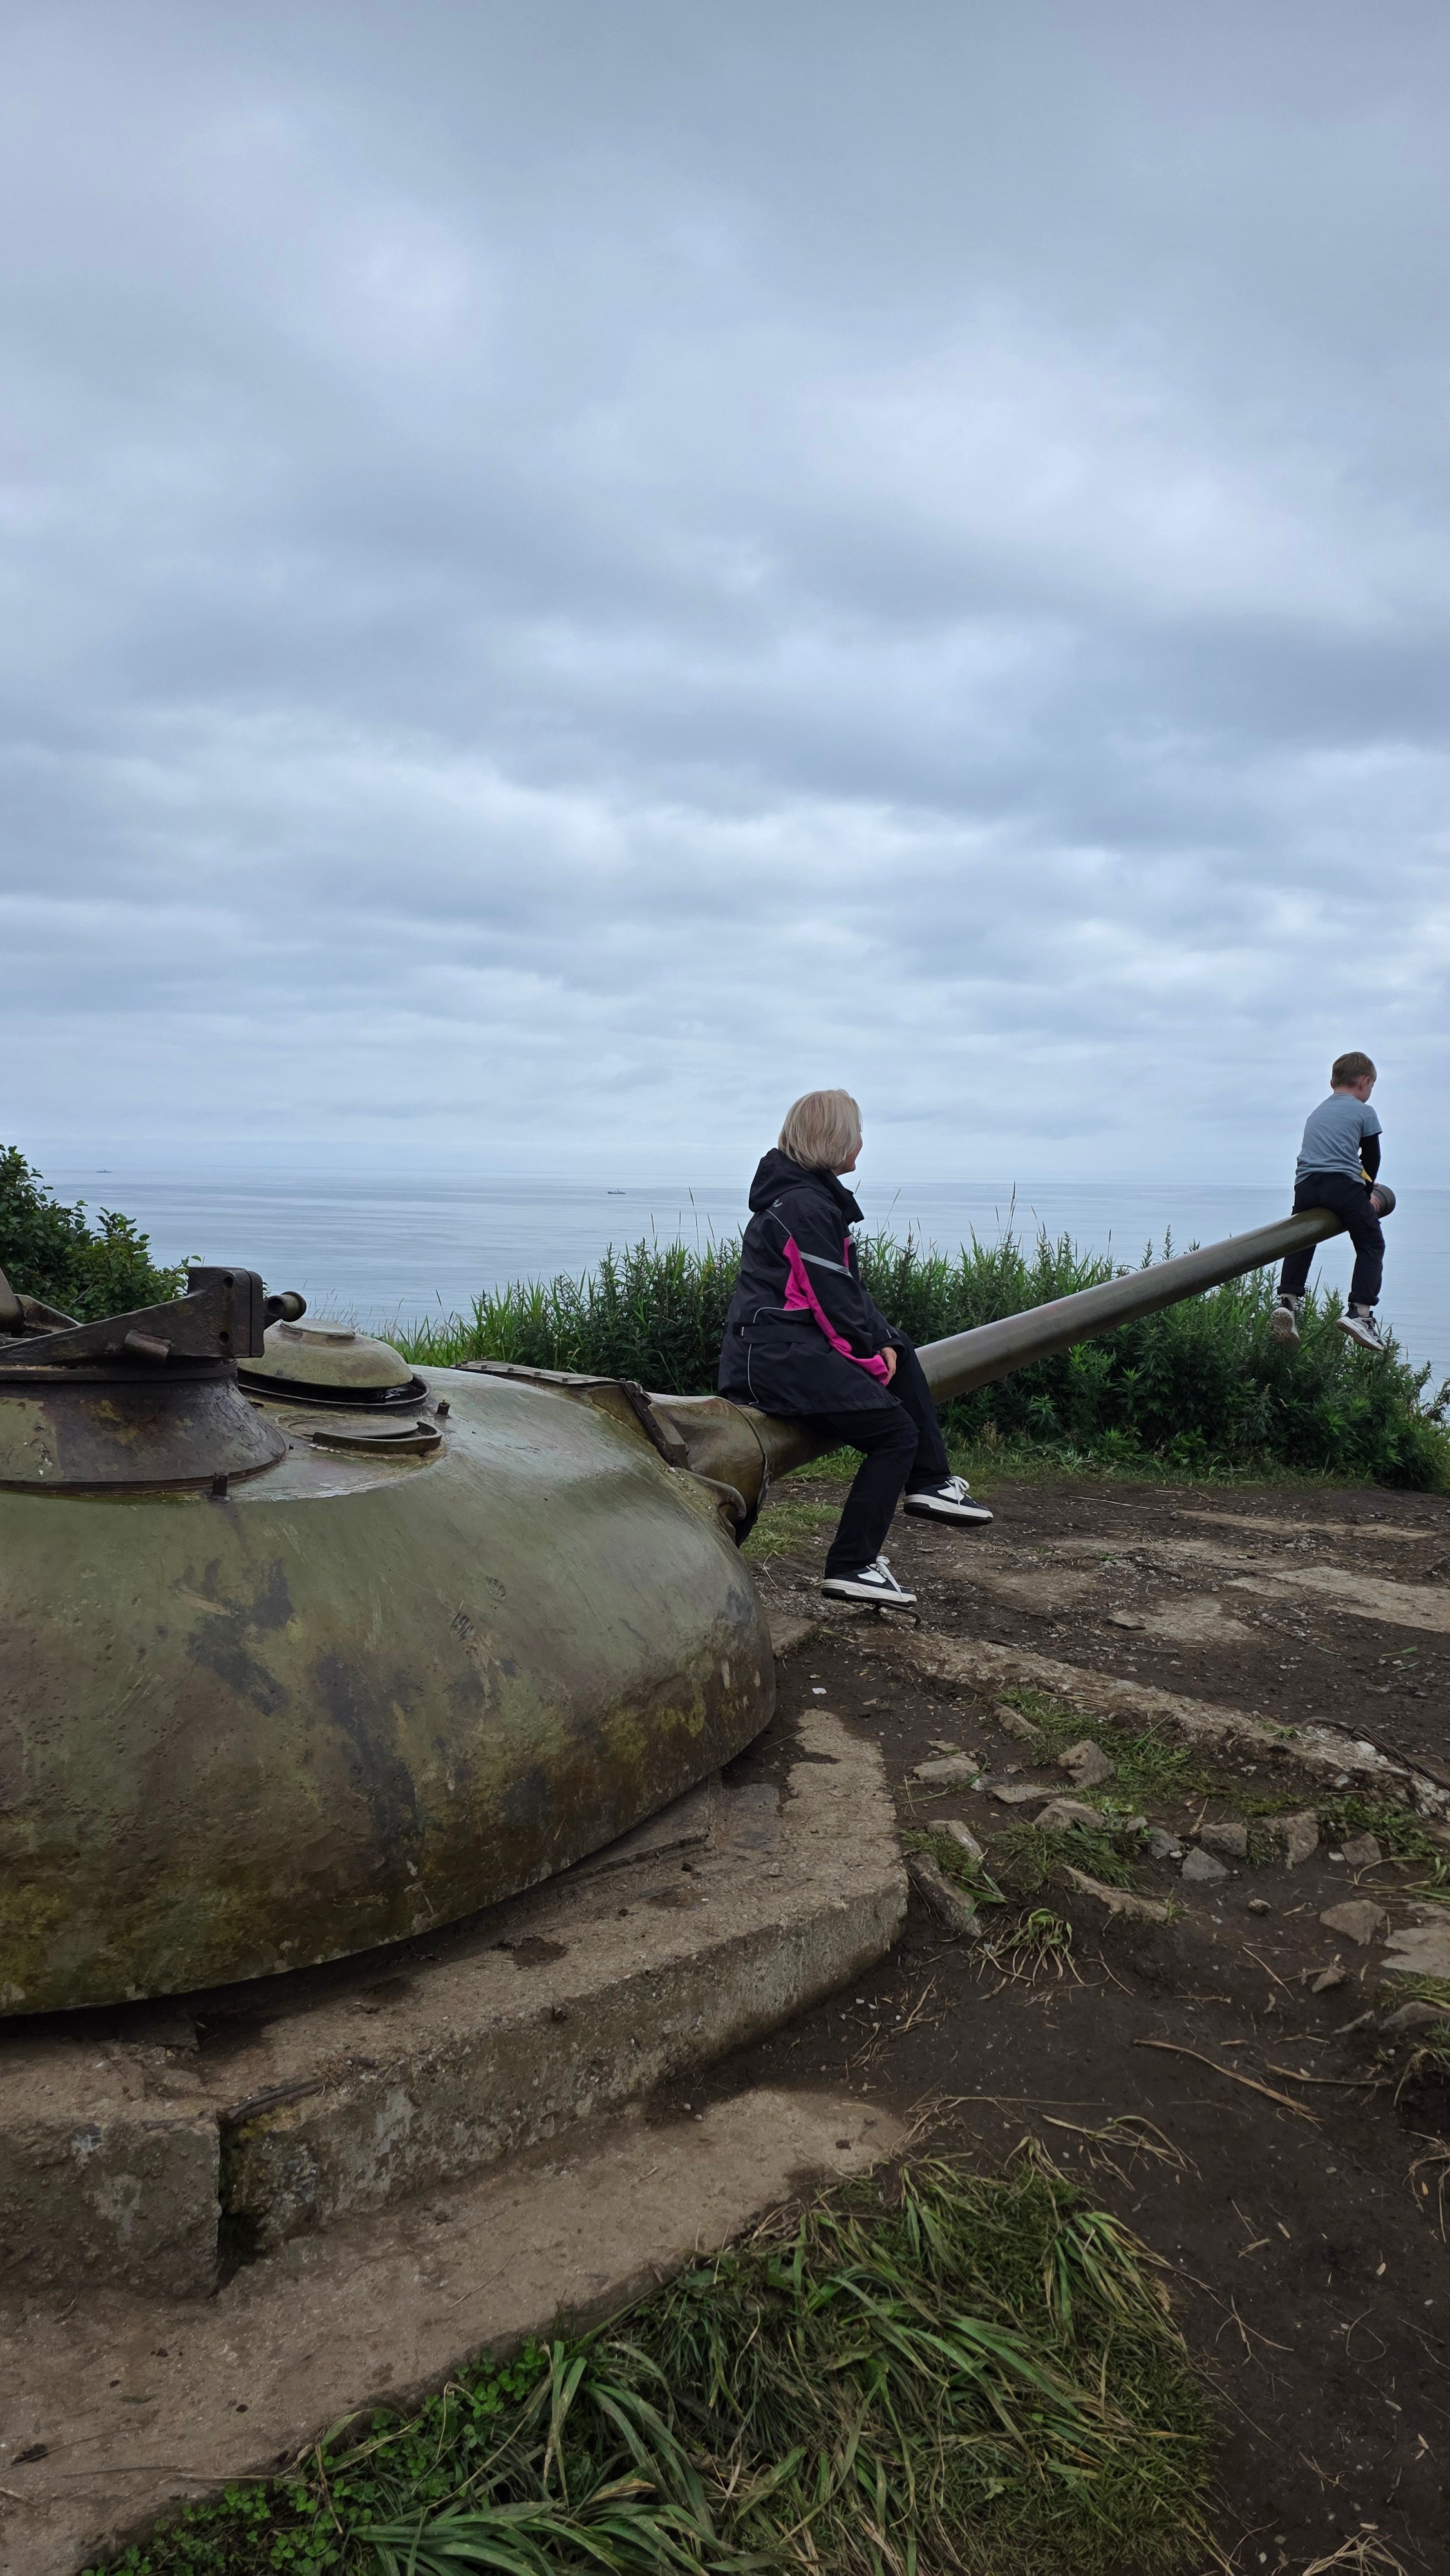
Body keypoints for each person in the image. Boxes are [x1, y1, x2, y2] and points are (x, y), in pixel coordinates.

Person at [718, 1088, 992, 1608]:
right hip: (774, 1360)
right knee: (894, 1434)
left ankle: (931, 1482)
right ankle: (852, 1564)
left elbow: (848, 1296)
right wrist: (867, 1357)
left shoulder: (809, 1200)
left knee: (903, 1346)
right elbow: (831, 1300)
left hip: (780, 1350)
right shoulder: (804, 1207)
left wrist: (885, 1341)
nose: (863, 1142)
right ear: (835, 1140)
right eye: (858, 1132)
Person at [1272, 1051, 1390, 1354]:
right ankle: (1360, 1313)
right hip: (1342, 1186)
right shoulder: (1365, 1111)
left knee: (1302, 1240)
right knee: (1370, 1242)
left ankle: (1288, 1301)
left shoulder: (1316, 1112)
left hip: (1306, 1186)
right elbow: (1372, 1158)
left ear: (1332, 1082)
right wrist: (1366, 1194)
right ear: (1365, 1082)